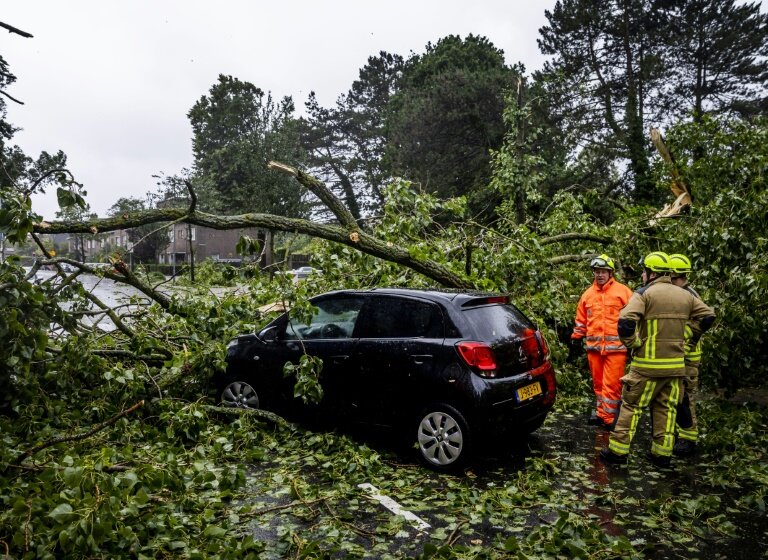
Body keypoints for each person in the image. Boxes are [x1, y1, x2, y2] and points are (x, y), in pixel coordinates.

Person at [600, 252, 715, 468]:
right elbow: (708, 316)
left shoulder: (644, 294)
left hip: (646, 367)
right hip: (675, 368)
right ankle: (661, 455)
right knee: (666, 409)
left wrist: (634, 344)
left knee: (631, 406)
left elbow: (625, 323)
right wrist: (688, 336)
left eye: (644, 271)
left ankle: (618, 452)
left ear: (652, 272)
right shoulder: (686, 295)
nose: (642, 275)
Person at [571, 254, 634, 429]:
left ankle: (609, 419)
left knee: (611, 386)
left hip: (617, 349)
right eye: (597, 271)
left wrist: (633, 341)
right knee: (598, 385)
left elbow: (634, 317)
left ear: (610, 273)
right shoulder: (587, 295)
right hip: (594, 349)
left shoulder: (623, 292)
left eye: (603, 272)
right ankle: (601, 413)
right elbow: (581, 320)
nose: (599, 275)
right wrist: (576, 338)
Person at [668, 253, 705, 456]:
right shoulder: (679, 294)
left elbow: (701, 323)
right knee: (675, 397)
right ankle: (677, 433)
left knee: (685, 398)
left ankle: (689, 438)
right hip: (677, 354)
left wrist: (683, 340)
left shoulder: (690, 296)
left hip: (688, 357)